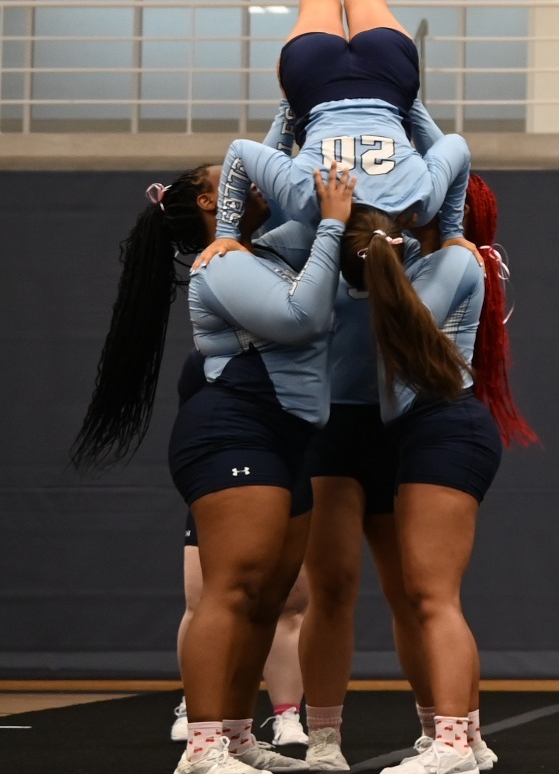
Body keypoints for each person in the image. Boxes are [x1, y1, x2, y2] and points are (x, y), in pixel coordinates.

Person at [74, 163, 357, 774]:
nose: (254, 184)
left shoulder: (265, 249)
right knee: (231, 589)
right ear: (211, 200)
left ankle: (237, 738)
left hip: (287, 436)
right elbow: (301, 318)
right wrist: (334, 224)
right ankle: (203, 750)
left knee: (269, 597)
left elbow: (287, 174)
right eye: (237, 179)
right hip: (234, 433)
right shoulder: (219, 262)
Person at [298, 176, 526, 773]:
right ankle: (323, 742)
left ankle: (451, 736)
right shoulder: (336, 241)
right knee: (333, 586)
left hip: (414, 428)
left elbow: (450, 162)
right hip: (341, 428)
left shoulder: (440, 262)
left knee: (419, 593)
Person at [199, 0, 470, 262]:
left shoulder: (417, 202)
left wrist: (453, 233)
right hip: (315, 83)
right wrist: (227, 234)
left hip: (387, 82)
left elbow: (456, 146)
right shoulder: (304, 199)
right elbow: (241, 153)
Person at [172, 534, 309, 752]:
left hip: (286, 502)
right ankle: (193, 707)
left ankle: (287, 714)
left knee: (290, 602)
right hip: (220, 503)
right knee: (201, 599)